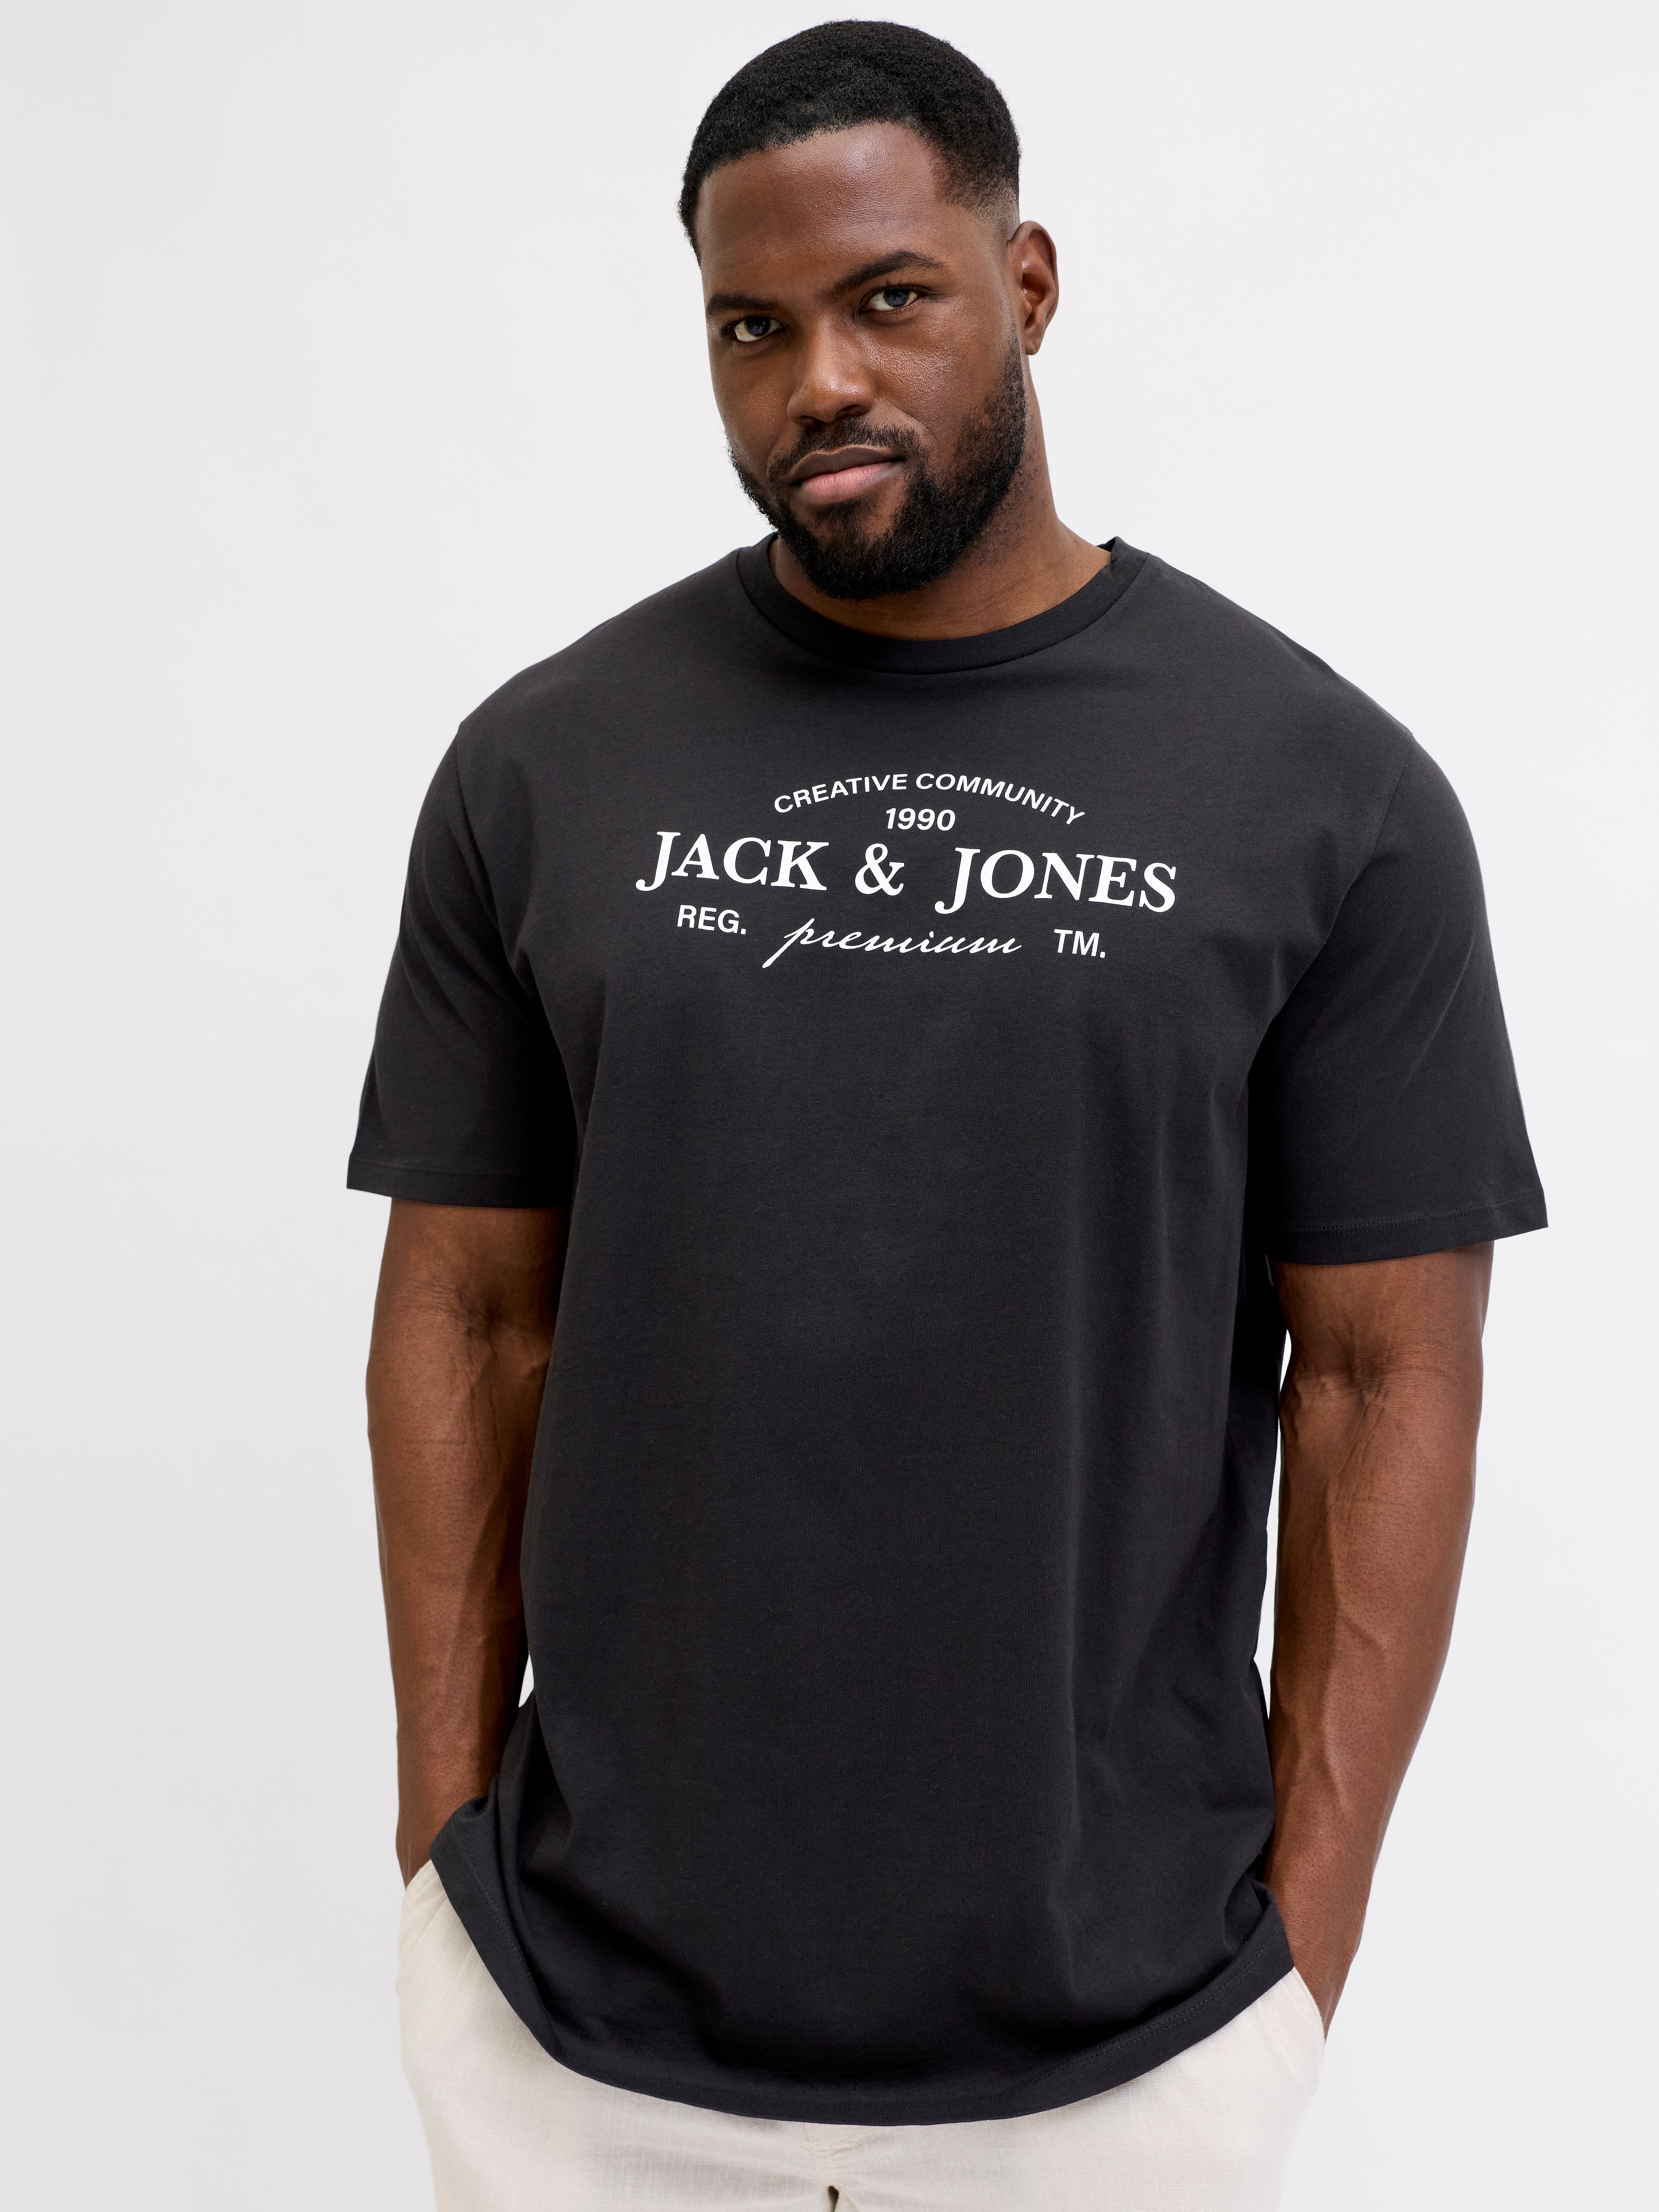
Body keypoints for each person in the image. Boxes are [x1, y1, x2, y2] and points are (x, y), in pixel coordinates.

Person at [350, 21, 1545, 2210]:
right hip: (573, 2045)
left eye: (889, 297)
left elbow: (1388, 1370)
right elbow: (467, 1308)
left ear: (1030, 282)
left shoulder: (1326, 793)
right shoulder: (545, 765)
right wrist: (443, 1851)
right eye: (753, 327)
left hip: (1124, 2055)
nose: (822, 379)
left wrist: (1297, 1963)